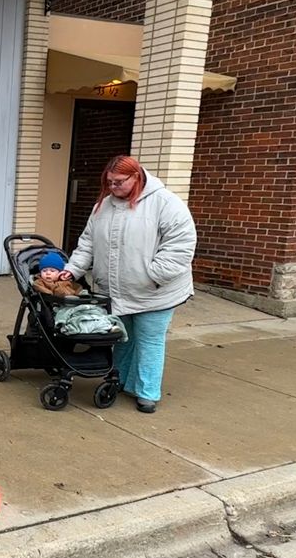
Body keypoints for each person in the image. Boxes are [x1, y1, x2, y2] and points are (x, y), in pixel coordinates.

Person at [61, 155, 197, 413]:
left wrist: (153, 275)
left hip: (155, 291)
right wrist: (72, 270)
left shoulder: (166, 203)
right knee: (122, 338)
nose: (113, 188)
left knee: (149, 340)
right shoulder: (103, 206)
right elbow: (87, 242)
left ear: (136, 177)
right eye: (109, 183)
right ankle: (119, 381)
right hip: (115, 289)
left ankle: (147, 393)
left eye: (119, 182)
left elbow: (180, 247)